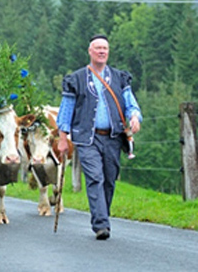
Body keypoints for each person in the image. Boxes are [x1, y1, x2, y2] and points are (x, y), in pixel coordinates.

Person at [56, 34, 142, 240]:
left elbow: (131, 104)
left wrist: (135, 117)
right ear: (90, 52)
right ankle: (101, 224)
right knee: (95, 177)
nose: (102, 51)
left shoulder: (120, 78)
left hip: (113, 137)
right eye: (98, 48)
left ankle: (102, 215)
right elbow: (66, 110)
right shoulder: (76, 79)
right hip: (87, 138)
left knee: (109, 180)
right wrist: (62, 138)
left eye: (105, 48)